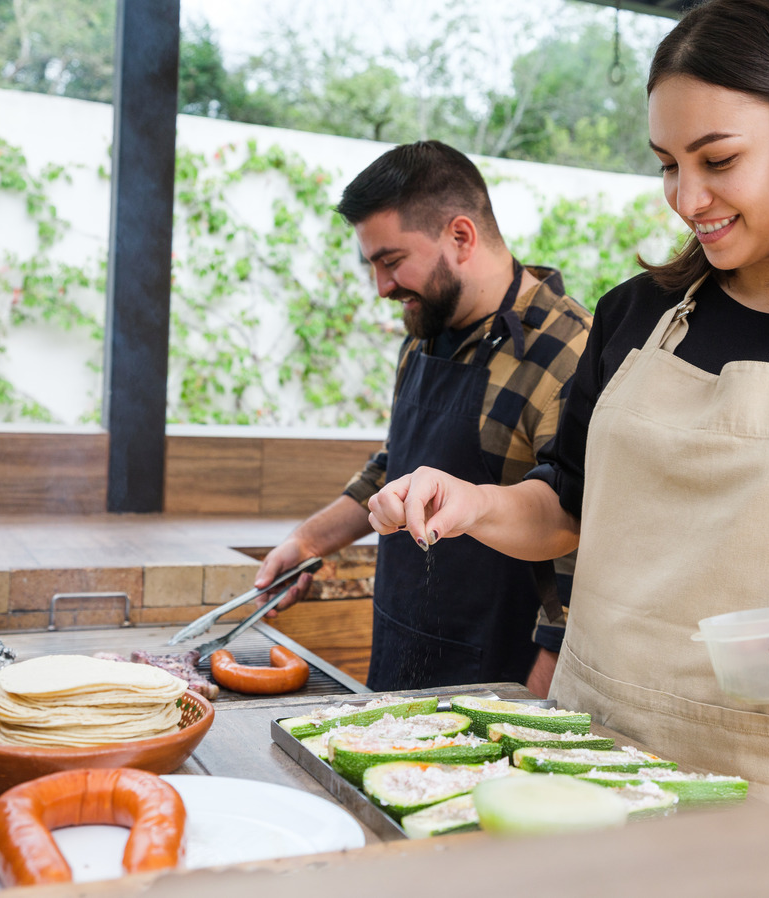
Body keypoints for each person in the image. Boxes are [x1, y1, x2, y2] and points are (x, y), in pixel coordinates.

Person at [366, 0, 769, 793]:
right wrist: (474, 504)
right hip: (592, 763)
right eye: (668, 164)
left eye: (717, 161)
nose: (686, 198)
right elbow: (568, 509)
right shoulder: (634, 317)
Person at [254, 140, 592, 694]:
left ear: (460, 236)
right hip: (398, 652)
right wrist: (308, 543)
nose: (382, 288)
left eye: (391, 261)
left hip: (497, 683)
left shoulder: (570, 350)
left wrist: (531, 712)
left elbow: (582, 561)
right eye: (373, 266)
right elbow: (397, 467)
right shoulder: (427, 332)